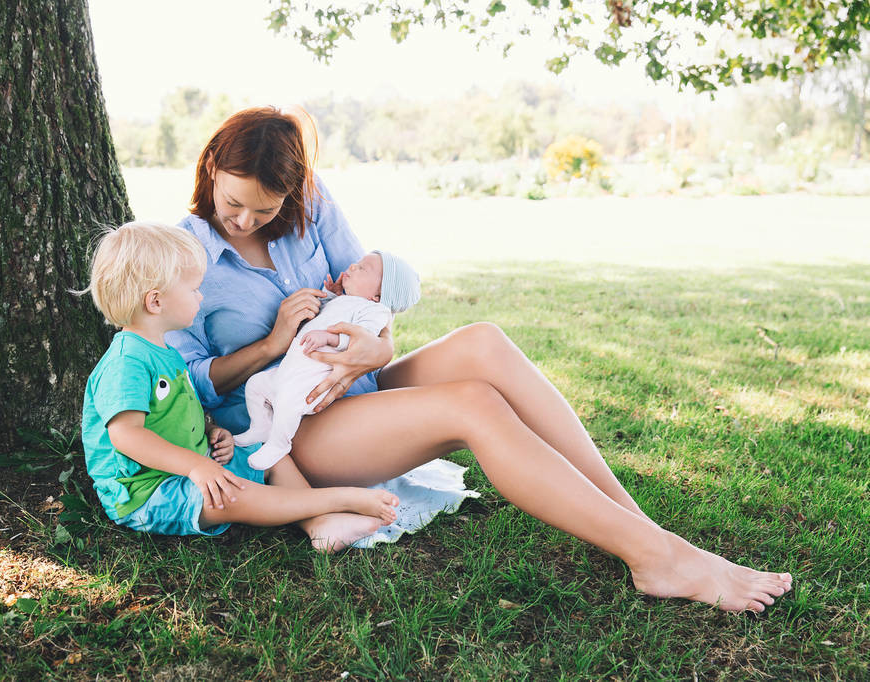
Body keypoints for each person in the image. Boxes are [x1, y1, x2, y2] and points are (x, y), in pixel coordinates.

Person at [167, 107, 792, 612]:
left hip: (360, 386)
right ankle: (657, 561)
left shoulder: (313, 202)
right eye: (233, 205)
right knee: (473, 404)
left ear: (294, 189)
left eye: (266, 209)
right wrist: (273, 344)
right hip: (293, 431)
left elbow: (372, 306)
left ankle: (644, 531)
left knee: (484, 341)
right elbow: (190, 379)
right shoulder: (182, 252)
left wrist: (372, 354)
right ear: (211, 171)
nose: (247, 220)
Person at [78, 221, 399, 550]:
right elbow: (126, 435)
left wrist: (210, 431)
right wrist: (195, 465)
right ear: (156, 303)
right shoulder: (126, 362)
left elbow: (174, 412)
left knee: (268, 454)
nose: (200, 296)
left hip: (190, 464)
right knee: (228, 494)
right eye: (192, 290)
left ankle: (320, 524)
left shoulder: (163, 352)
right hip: (146, 491)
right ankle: (340, 501)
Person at [233, 249, 420, 470]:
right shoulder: (346, 301)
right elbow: (326, 315)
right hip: (289, 370)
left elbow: (361, 340)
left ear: (378, 296)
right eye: (356, 263)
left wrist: (330, 338)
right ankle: (260, 426)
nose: (352, 266)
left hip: (313, 381)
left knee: (287, 404)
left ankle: (278, 444)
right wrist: (330, 295)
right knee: (256, 385)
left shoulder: (374, 311)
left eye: (362, 269)